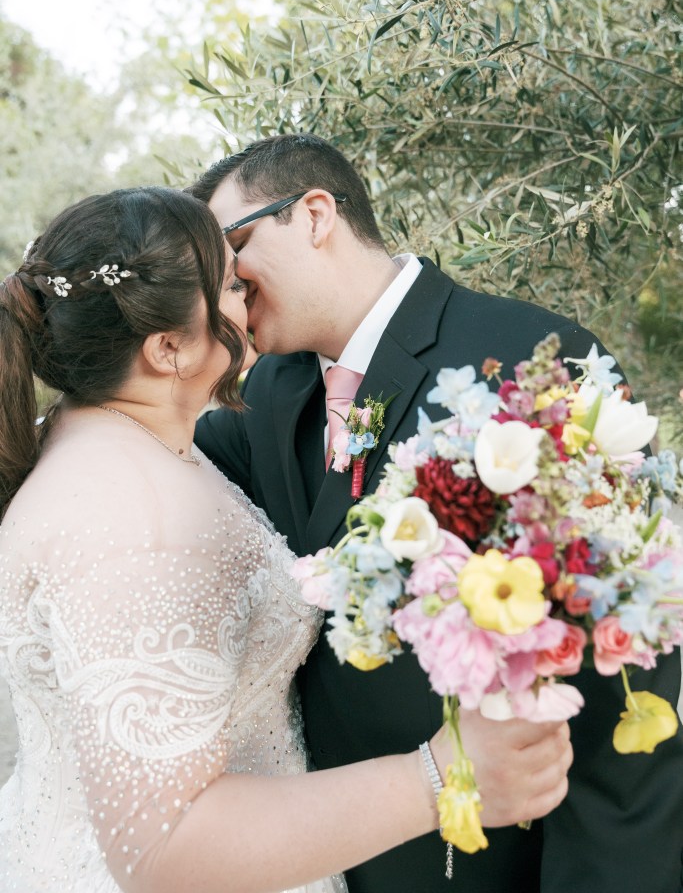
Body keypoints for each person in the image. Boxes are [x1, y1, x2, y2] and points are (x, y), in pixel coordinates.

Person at [0, 186, 572, 893]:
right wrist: (441, 775)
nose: (250, 302)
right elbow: (165, 849)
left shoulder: (120, 445)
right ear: (169, 347)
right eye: (231, 287)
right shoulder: (134, 524)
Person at [191, 133, 683, 893]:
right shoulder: (264, 392)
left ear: (314, 214)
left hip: (497, 861)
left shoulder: (523, 358)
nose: (225, 282)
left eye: (235, 247)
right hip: (333, 855)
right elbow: (148, 438)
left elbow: (629, 653)